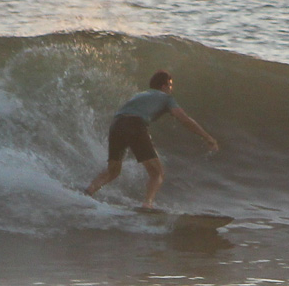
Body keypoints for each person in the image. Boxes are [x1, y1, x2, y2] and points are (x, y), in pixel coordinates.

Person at [85, 70, 219, 209]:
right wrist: (208, 138)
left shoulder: (141, 95)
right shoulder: (166, 98)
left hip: (116, 125)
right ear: (164, 86)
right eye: (170, 85)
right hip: (134, 125)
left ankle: (89, 191)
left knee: (113, 171)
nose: (171, 89)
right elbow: (184, 119)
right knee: (157, 173)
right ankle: (147, 205)